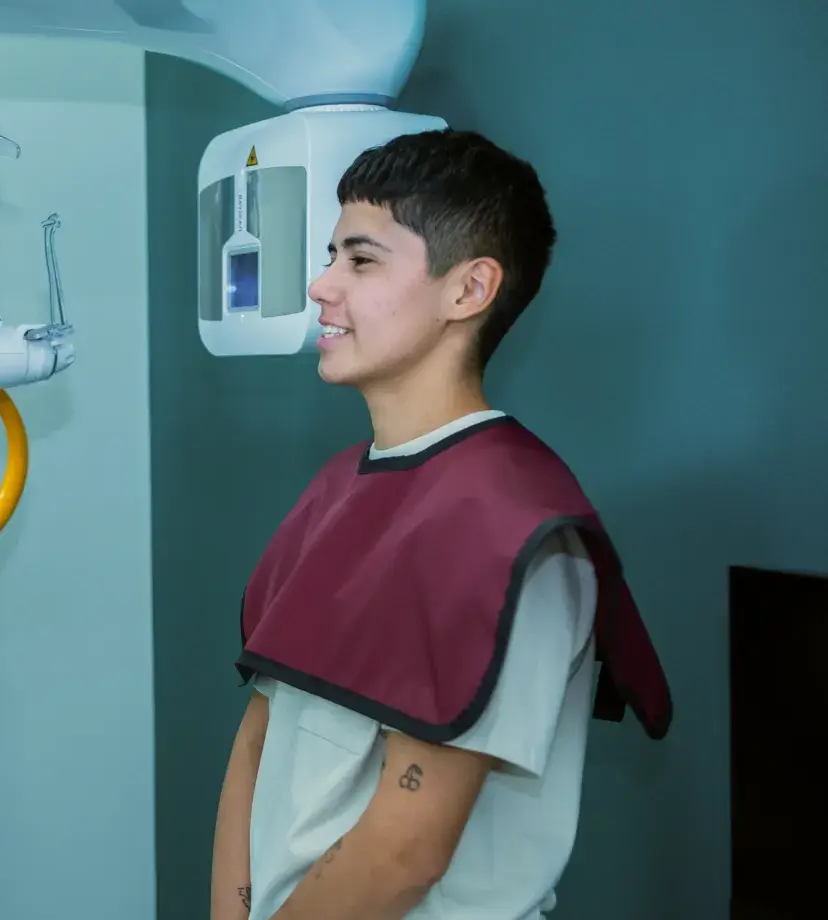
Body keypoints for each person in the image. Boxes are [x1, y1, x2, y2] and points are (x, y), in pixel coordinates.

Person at [209, 130, 674, 920]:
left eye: (360, 261)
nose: (321, 285)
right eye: (331, 256)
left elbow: (405, 852)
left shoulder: (514, 531)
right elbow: (259, 737)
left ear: (468, 290)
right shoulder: (337, 490)